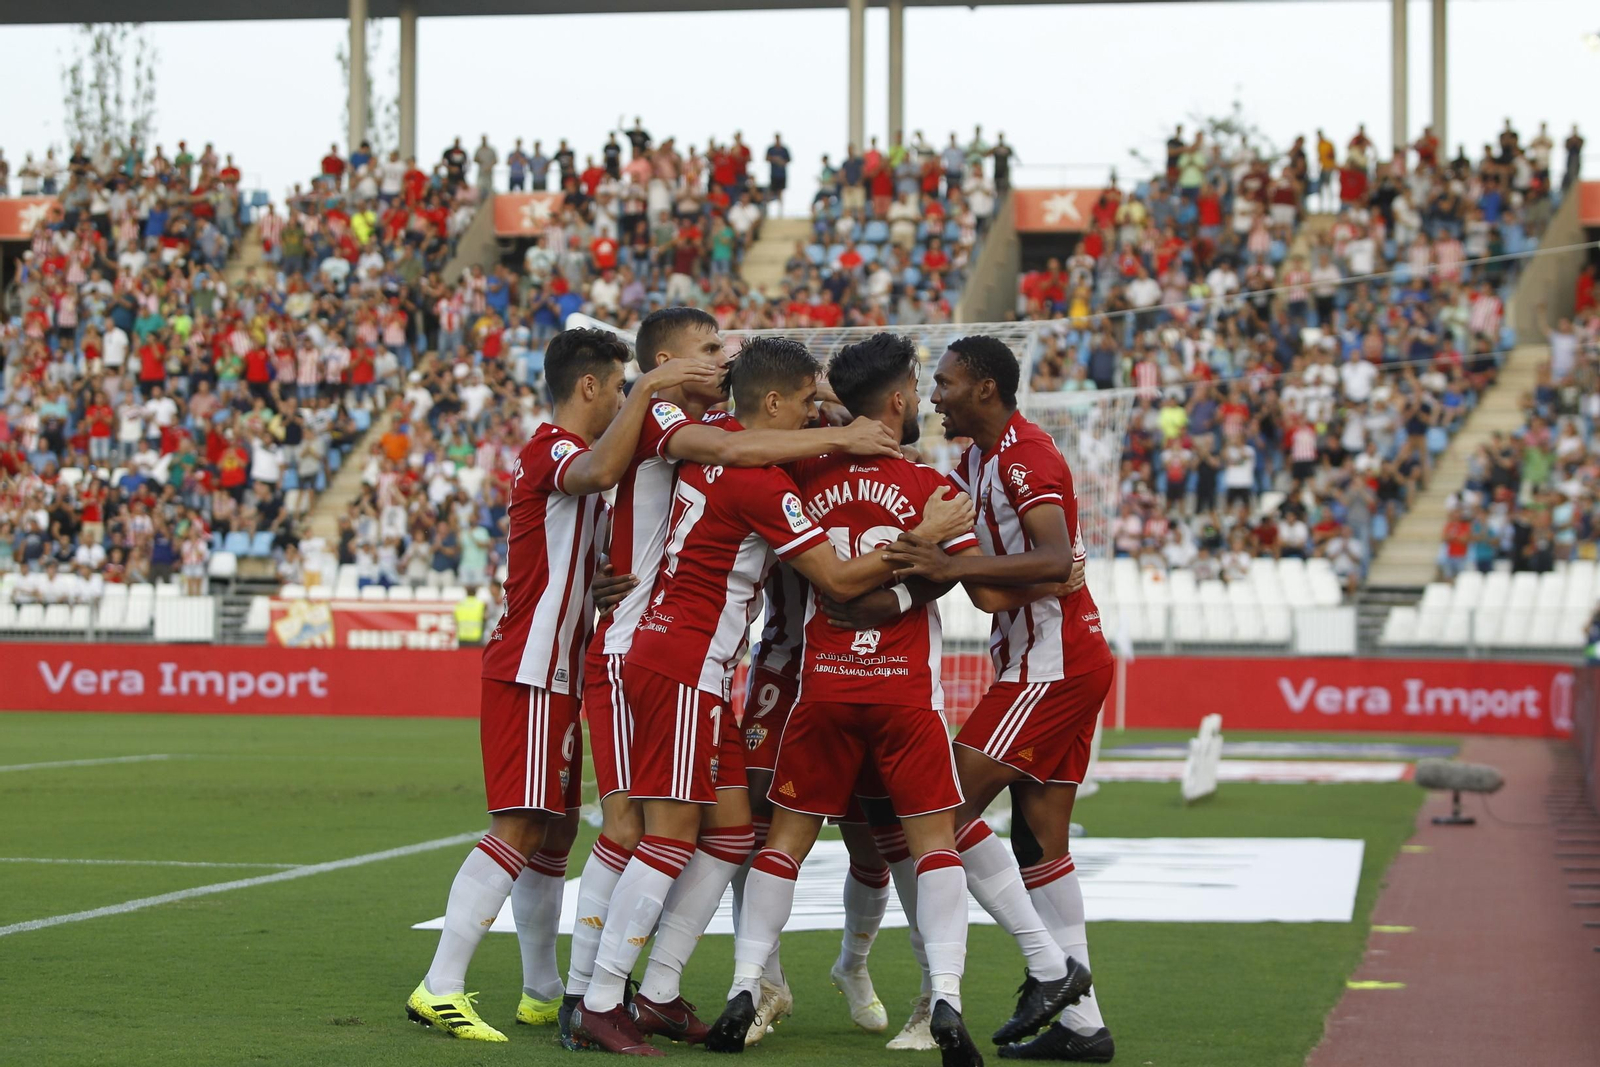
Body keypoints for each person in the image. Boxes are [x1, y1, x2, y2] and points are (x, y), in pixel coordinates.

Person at [570, 337, 974, 1056]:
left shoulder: (726, 442)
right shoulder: (760, 480)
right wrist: (923, 536)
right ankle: (601, 999)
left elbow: (747, 439)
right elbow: (842, 581)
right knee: (665, 833)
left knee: (729, 835)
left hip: (706, 667)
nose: (822, 418)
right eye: (810, 405)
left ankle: (660, 990)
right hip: (684, 659)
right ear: (777, 404)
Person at [404, 328, 720, 1043]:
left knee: (554, 831)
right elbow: (600, 474)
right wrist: (650, 390)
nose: (620, 398)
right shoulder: (552, 448)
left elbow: (571, 537)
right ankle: (441, 982)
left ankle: (543, 988)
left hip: (558, 666)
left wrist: (595, 585)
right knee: (519, 825)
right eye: (615, 386)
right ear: (590, 387)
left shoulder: (564, 456)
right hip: (532, 666)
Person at [709, 333, 989, 1062]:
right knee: (922, 843)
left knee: (804, 840)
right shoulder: (931, 485)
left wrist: (837, 407)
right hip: (871, 686)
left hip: (821, 683)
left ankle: (784, 976)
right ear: (898, 401)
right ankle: (940, 994)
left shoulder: (797, 468)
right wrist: (909, 573)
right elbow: (973, 583)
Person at [882, 334, 1113, 1062]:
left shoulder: (1024, 456)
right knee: (1038, 842)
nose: (935, 396)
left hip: (1050, 666)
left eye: (945, 383)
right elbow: (997, 586)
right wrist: (969, 570)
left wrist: (959, 565)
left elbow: (1053, 554)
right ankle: (1085, 1029)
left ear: (984, 387)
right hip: (1047, 657)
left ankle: (1052, 972)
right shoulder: (981, 460)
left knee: (937, 813)